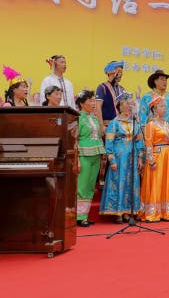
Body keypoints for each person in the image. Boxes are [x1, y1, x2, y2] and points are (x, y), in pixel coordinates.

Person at [99, 93, 144, 223]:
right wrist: (111, 159)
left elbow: (139, 141)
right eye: (126, 103)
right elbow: (109, 143)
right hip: (119, 158)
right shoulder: (114, 123)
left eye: (130, 103)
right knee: (119, 183)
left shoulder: (135, 122)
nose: (129, 105)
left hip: (132, 157)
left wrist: (140, 158)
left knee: (131, 184)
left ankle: (127, 211)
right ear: (120, 106)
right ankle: (117, 211)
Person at [139, 96, 169, 222]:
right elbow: (148, 143)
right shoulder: (150, 124)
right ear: (154, 109)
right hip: (157, 155)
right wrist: (151, 160)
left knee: (166, 182)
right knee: (156, 182)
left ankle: (165, 212)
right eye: (161, 106)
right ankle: (152, 212)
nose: (164, 108)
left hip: (166, 156)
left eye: (164, 106)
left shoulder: (166, 123)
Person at [73, 90, 105, 227]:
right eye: (90, 101)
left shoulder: (94, 117)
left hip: (96, 155)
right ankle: (78, 216)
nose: (93, 103)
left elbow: (98, 137)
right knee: (82, 186)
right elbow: (74, 139)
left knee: (91, 186)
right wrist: (77, 159)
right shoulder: (78, 118)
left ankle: (84, 215)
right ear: (81, 103)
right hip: (84, 155)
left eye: (94, 100)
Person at [139, 70, 169, 144]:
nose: (165, 82)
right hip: (154, 134)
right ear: (155, 81)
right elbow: (143, 115)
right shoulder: (147, 97)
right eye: (162, 79)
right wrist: (145, 131)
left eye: (166, 80)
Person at [95, 61, 126, 127]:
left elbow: (124, 108)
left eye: (122, 72)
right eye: (119, 71)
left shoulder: (122, 89)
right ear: (110, 72)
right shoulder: (102, 87)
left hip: (120, 126)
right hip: (107, 126)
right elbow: (98, 107)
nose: (121, 74)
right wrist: (101, 126)